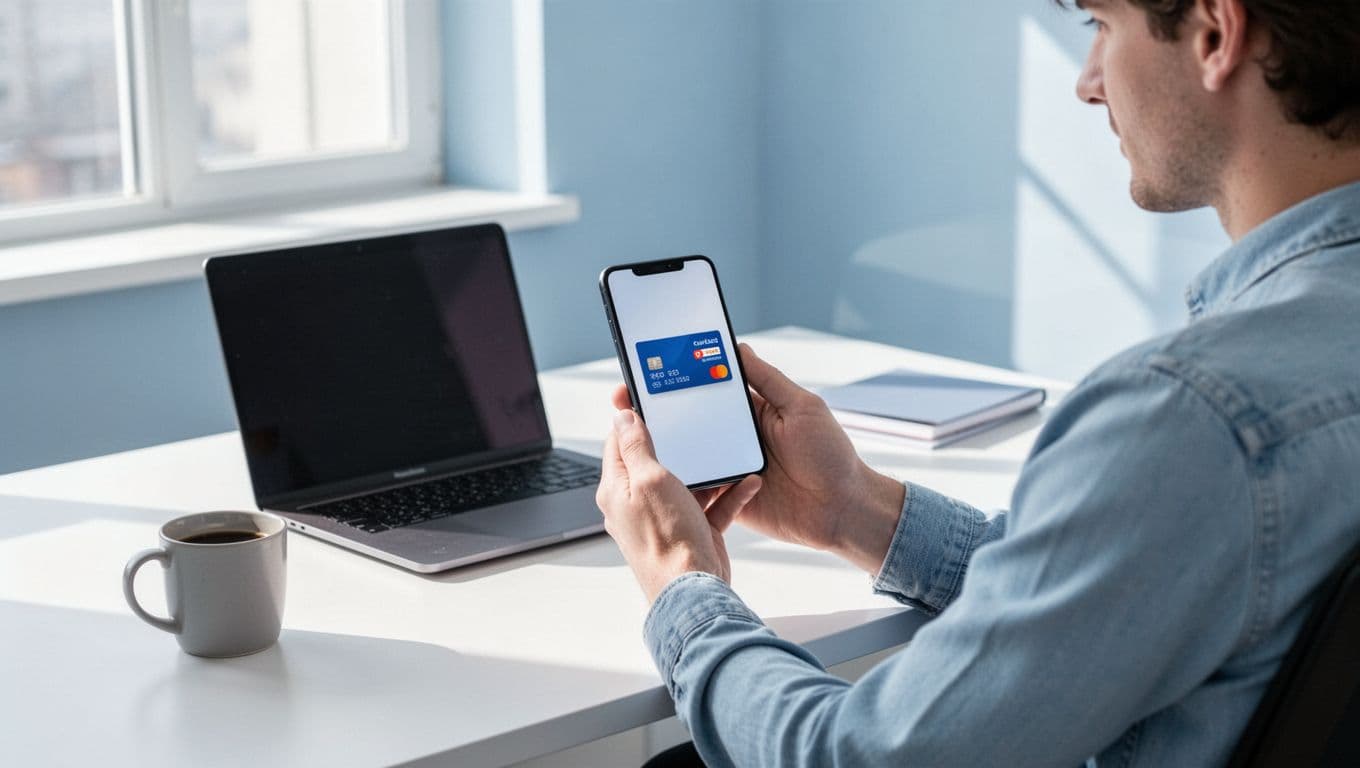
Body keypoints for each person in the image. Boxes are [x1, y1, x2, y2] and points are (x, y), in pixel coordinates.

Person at [595, 0, 1360, 764]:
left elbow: (857, 756)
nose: (1088, 84)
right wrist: (854, 509)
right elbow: (1119, 599)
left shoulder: (1189, 416)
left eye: (1101, 25)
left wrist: (680, 584)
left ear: (1215, 34)